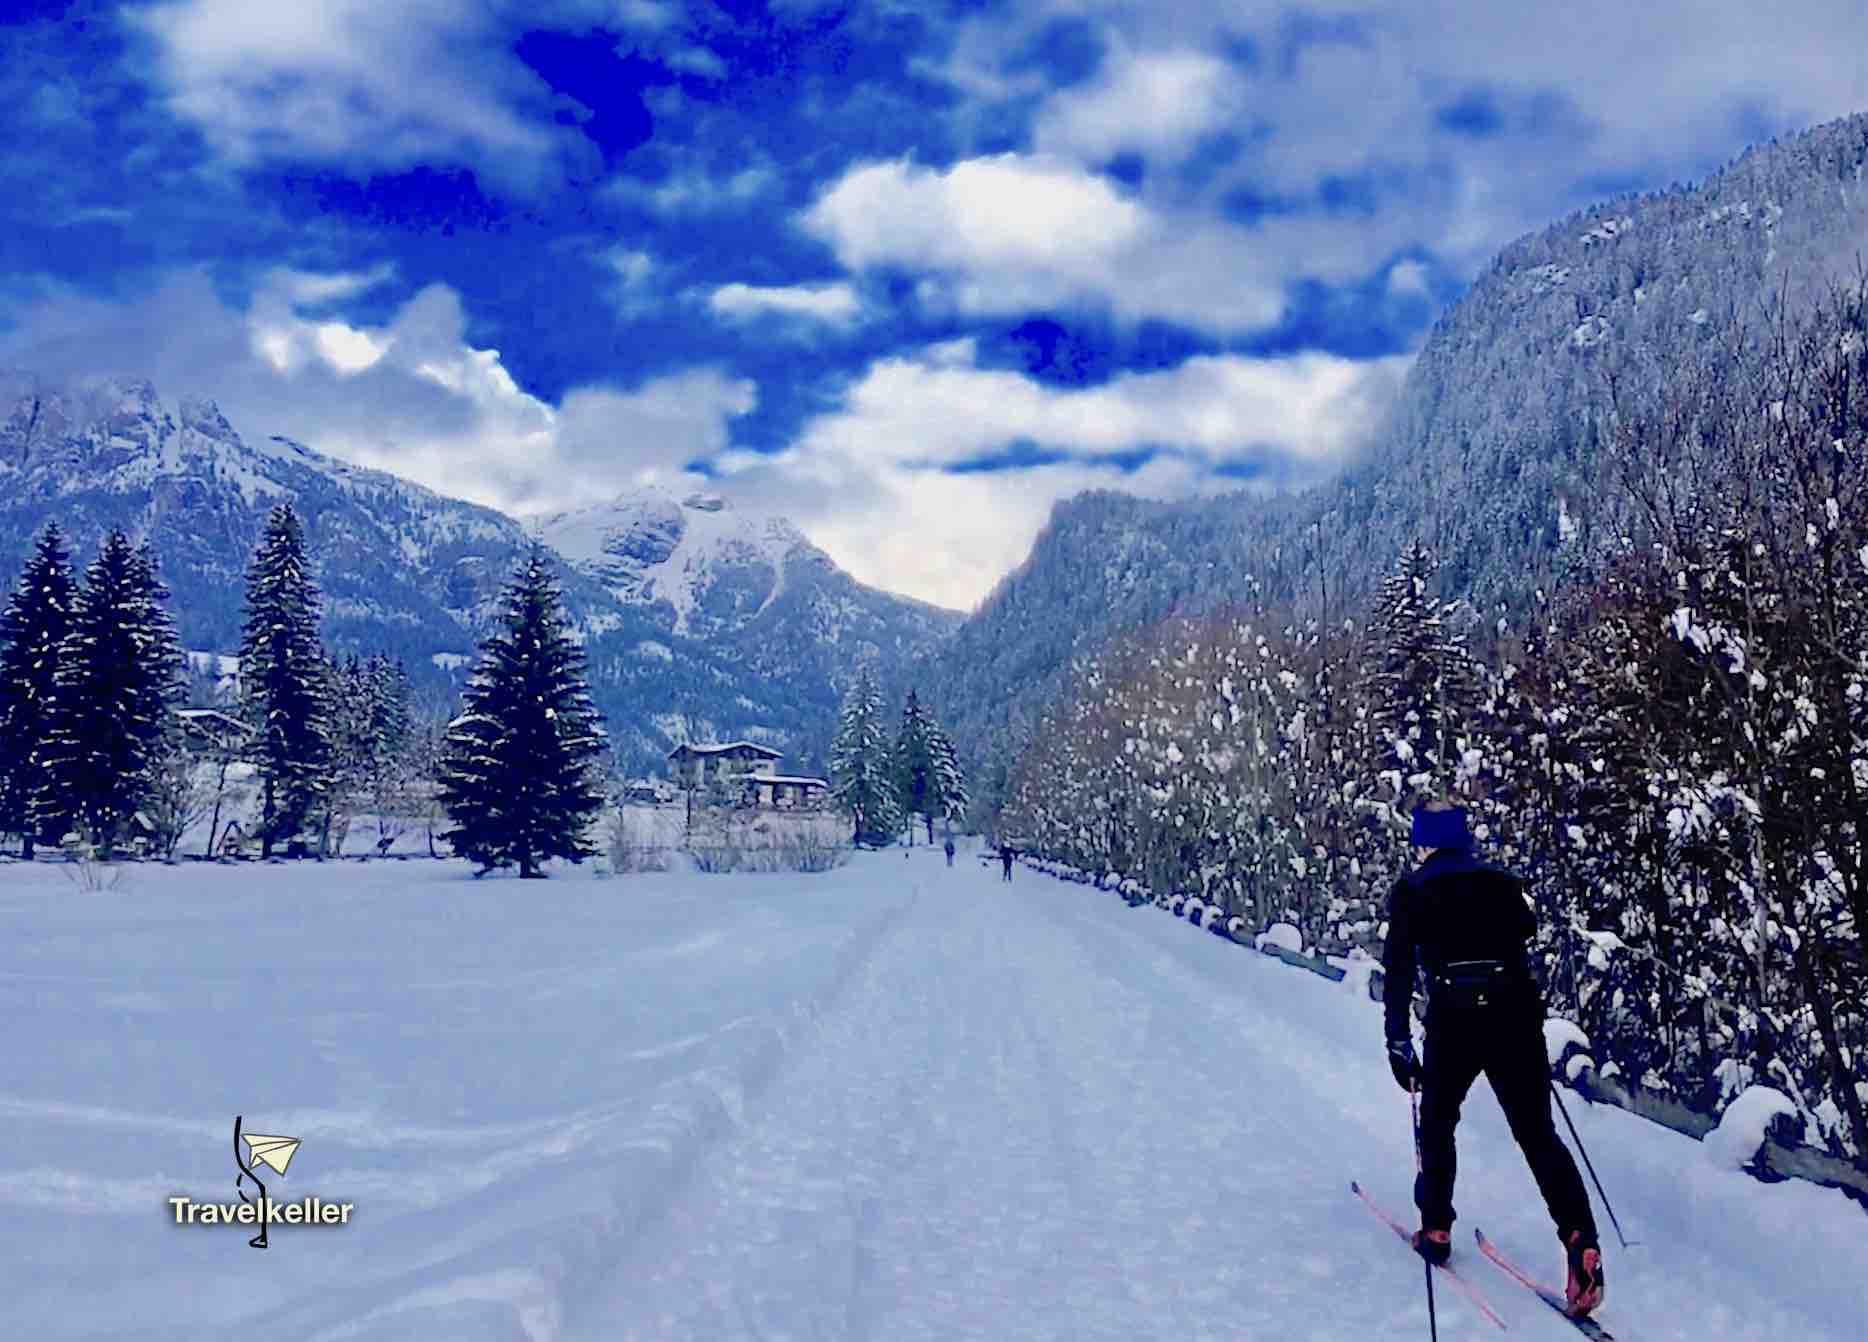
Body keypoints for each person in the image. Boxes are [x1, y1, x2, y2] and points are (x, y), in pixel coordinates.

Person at [1382, 797, 1605, 1316]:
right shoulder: (1502, 884)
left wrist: (1397, 1040)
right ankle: (1580, 1240)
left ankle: (1436, 1226)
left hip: (1453, 1018)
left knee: (1437, 1120)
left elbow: (1396, 971)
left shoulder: (1412, 891)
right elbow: (1526, 934)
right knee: (1537, 1135)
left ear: (1425, 842)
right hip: (1513, 1015)